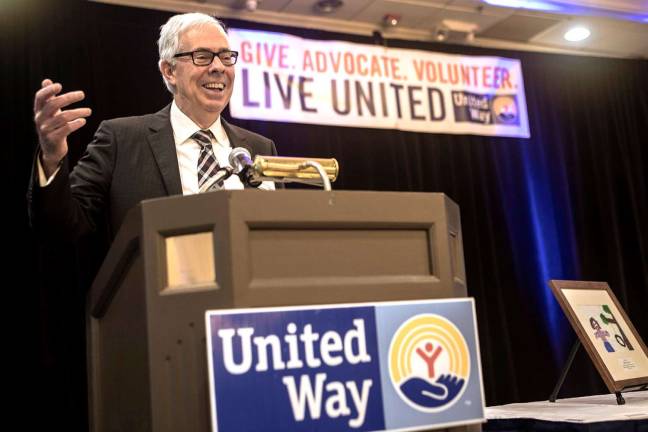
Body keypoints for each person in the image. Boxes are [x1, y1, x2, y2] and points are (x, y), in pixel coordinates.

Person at [28, 12, 278, 241]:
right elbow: (60, 226)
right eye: (202, 57)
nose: (218, 67)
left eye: (226, 57)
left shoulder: (259, 148)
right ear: (169, 70)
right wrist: (52, 157)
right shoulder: (121, 140)